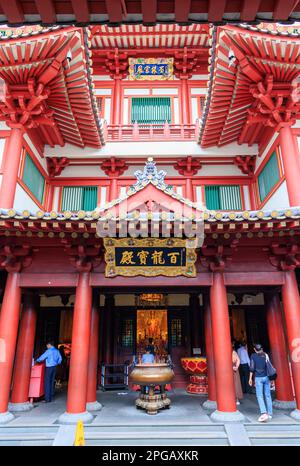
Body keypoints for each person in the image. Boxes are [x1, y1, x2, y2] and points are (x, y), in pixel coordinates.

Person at [249, 343, 273, 422]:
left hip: (258, 378)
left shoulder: (253, 356)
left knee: (260, 396)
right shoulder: (265, 355)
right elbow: (269, 366)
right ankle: (269, 414)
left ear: (255, 349)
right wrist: (271, 379)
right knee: (268, 395)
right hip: (266, 377)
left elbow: (252, 368)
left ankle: (264, 413)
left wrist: (250, 378)